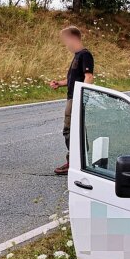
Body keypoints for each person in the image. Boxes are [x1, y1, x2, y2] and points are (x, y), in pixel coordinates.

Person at [49, 26, 94, 175]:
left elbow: (88, 77)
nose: (65, 44)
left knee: (71, 130)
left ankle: (76, 162)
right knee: (73, 130)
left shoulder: (85, 55)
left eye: (66, 40)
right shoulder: (77, 56)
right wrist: (60, 83)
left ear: (73, 38)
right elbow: (74, 79)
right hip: (72, 97)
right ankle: (76, 161)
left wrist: (81, 97)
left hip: (76, 98)